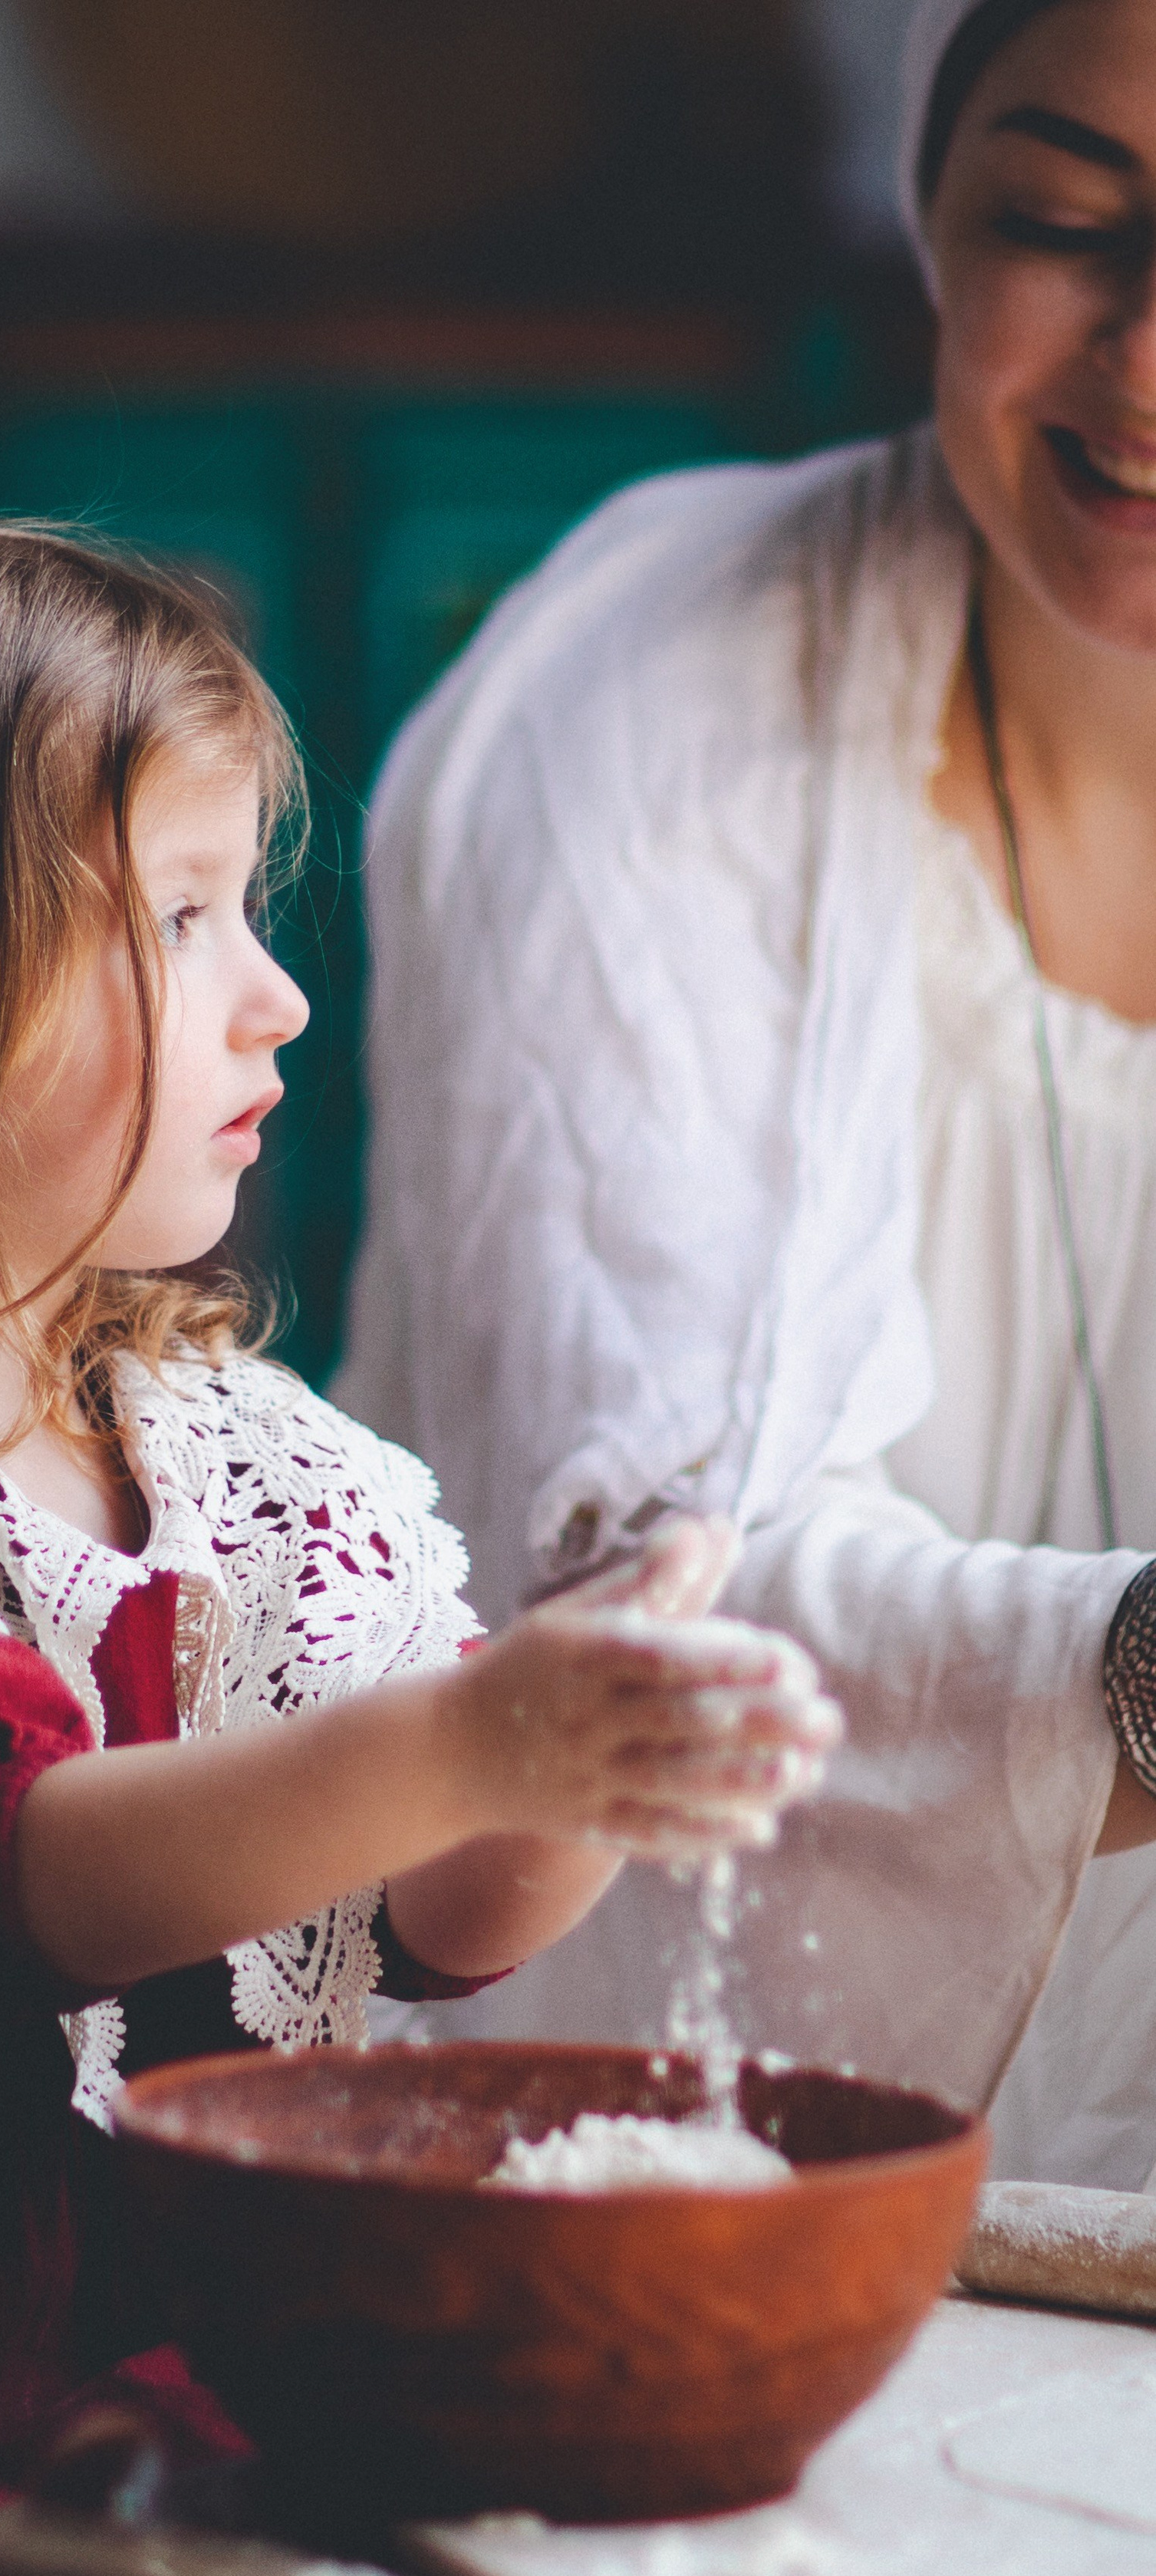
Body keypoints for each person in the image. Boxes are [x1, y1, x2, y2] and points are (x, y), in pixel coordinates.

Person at [0, 520, 835, 2499]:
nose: (277, 996)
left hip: (180, 2398)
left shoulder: (219, 1449)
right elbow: (36, 1873)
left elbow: (445, 1915)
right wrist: (467, 1737)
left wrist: (574, 1752)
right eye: (183, 918)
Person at [339, 0, 1156, 2191]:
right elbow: (658, 1611)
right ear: (924, 204)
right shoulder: (649, 700)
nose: (1149, 360)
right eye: (1069, 222)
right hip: (702, 2199)